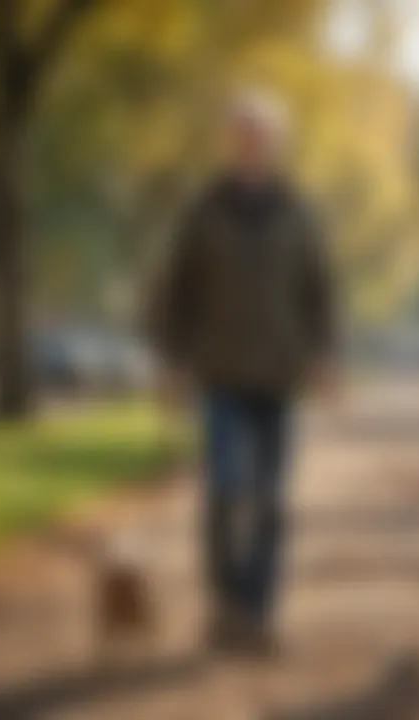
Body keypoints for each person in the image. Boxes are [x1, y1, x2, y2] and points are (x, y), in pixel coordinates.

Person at [148, 89, 337, 655]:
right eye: (242, 133)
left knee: (272, 499)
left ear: (277, 144)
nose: (251, 142)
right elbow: (174, 292)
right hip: (221, 372)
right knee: (227, 492)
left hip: (279, 375)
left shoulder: (300, 212)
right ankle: (226, 603)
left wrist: (324, 353)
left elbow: (320, 291)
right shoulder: (202, 210)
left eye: (261, 134)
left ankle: (257, 613)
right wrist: (173, 361)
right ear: (229, 142)